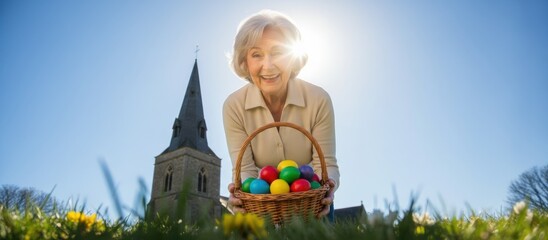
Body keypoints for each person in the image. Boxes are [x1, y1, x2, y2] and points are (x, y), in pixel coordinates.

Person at [223, 9, 339, 220]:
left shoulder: (318, 99)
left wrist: (325, 189)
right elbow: (245, 171)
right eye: (256, 54)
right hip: (263, 209)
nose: (268, 65)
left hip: (314, 206)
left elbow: (325, 164)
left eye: (278, 53)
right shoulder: (234, 106)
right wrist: (244, 197)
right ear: (244, 62)